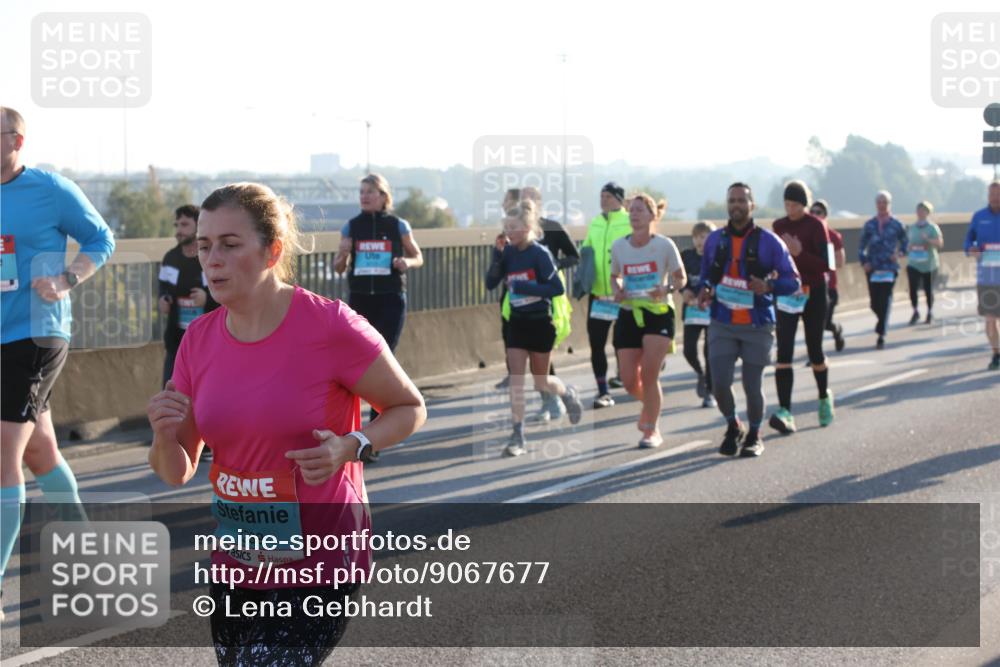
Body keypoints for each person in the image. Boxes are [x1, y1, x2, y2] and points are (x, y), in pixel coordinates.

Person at [147, 182, 426, 663]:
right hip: (239, 562)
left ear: (272, 250)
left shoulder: (332, 326)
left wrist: (351, 445)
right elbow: (177, 470)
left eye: (230, 245)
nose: (211, 260)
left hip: (321, 557)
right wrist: (163, 433)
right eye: (204, 246)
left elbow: (408, 407)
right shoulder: (198, 341)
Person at [1, 106, 116, 602]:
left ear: (18, 140)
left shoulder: (49, 189)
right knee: (40, 450)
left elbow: (102, 238)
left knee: (3, 455)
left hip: (37, 332)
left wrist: (68, 278)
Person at [695, 182, 801, 458]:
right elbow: (706, 274)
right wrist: (705, 290)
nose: (736, 205)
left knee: (752, 386)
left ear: (752, 205)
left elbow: (793, 282)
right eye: (732, 201)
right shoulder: (715, 240)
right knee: (718, 383)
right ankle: (733, 425)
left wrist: (767, 286)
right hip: (722, 321)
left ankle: (755, 433)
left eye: (742, 200)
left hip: (757, 325)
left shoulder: (770, 242)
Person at [484, 200, 584, 457]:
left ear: (528, 227)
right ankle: (518, 434)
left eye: (514, 227)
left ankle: (566, 391)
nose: (509, 232)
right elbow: (490, 283)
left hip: (540, 322)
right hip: (517, 323)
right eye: (506, 227)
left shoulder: (540, 254)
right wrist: (497, 256)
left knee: (541, 381)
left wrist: (525, 287)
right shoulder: (507, 253)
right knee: (516, 380)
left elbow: (556, 289)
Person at [334, 173, 423, 436]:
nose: (364, 196)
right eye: (361, 192)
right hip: (361, 299)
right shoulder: (351, 227)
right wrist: (343, 254)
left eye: (369, 192)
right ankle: (349, 423)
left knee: (383, 359)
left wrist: (407, 263)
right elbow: (338, 268)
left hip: (390, 299)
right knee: (353, 361)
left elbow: (417, 256)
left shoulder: (398, 225)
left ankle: (374, 431)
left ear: (383, 196)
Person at [610, 193, 686, 448]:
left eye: (640, 210)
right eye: (631, 210)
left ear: (653, 215)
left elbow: (681, 278)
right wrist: (617, 289)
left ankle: (651, 430)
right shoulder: (620, 246)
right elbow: (615, 276)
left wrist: (665, 289)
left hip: (657, 313)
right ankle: (650, 405)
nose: (634, 214)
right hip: (630, 312)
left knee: (650, 374)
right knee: (629, 379)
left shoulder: (664, 245)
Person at [770, 181, 835, 433]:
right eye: (787, 204)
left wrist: (799, 252)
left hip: (814, 293)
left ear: (804, 204)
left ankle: (823, 397)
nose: (790, 209)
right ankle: (785, 410)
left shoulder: (816, 226)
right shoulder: (779, 226)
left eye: (795, 205)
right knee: (783, 351)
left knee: (814, 349)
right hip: (787, 294)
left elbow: (827, 265)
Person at [519, 186, 579, 423]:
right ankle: (549, 399)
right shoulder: (516, 230)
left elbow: (575, 256)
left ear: (539, 203)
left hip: (548, 296)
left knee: (540, 351)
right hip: (520, 301)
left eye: (530, 199)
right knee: (527, 353)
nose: (526, 202)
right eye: (522, 199)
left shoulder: (552, 228)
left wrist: (553, 267)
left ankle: (554, 398)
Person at [581, 182, 632, 408]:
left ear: (620, 200)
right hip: (599, 296)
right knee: (596, 344)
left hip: (623, 295)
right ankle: (603, 391)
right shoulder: (595, 222)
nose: (603, 200)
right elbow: (587, 252)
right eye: (601, 196)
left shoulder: (629, 221)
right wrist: (582, 280)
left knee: (623, 343)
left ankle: (632, 374)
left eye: (609, 196)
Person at [158, 204, 219, 387]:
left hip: (208, 344)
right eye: (176, 225)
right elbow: (163, 288)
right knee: (171, 399)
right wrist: (163, 299)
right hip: (176, 344)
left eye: (184, 225)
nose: (178, 231)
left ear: (198, 226)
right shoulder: (170, 258)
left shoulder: (210, 257)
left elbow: (227, 296)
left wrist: (206, 299)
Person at [858, 190, 908, 349]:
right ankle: (881, 320)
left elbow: (905, 242)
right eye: (879, 202)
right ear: (876, 204)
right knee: (874, 303)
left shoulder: (897, 224)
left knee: (885, 299)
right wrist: (864, 261)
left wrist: (899, 253)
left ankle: (881, 333)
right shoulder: (869, 225)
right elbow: (861, 246)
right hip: (873, 268)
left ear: (889, 204)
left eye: (884, 202)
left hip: (889, 268)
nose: (882, 205)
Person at [963, 180, 1000, 370]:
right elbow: (968, 240)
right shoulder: (979, 216)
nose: (995, 196)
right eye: (992, 193)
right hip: (987, 278)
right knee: (990, 319)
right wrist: (971, 248)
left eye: (998, 193)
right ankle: (996, 354)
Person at [680, 221, 717, 407]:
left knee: (709, 350)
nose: (700, 241)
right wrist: (683, 290)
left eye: (704, 237)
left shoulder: (717, 257)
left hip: (711, 311)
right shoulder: (686, 256)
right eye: (697, 237)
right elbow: (677, 277)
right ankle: (700, 374)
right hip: (692, 311)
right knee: (688, 350)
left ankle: (710, 391)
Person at [809, 199, 846, 351]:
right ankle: (814, 355)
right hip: (809, 285)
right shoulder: (806, 234)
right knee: (812, 323)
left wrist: (823, 256)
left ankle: (836, 329)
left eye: (819, 212)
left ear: (825, 215)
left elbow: (840, 262)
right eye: (812, 212)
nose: (815, 215)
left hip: (828, 287)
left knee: (823, 323)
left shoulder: (833, 236)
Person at [495, 187, 522, 391]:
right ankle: (512, 374)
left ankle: (548, 386)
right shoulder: (504, 232)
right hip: (508, 292)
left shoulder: (527, 232)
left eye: (508, 201)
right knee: (508, 334)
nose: (504, 205)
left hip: (531, 293)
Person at [906, 200, 944, 325]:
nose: (920, 213)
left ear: (928, 212)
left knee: (928, 290)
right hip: (914, 263)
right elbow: (906, 244)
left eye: (923, 210)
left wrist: (928, 240)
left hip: (929, 264)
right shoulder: (912, 227)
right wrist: (910, 247)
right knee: (913, 289)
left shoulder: (932, 227)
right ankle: (915, 311)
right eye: (919, 210)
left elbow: (939, 243)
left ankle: (929, 311)